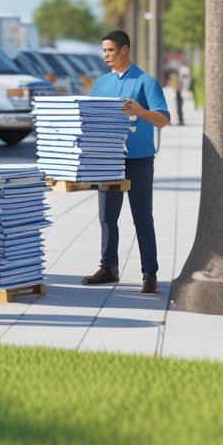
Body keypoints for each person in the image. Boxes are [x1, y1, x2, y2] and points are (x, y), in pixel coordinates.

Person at [81, 30, 170, 294]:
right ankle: (108, 267)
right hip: (108, 160)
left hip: (139, 160)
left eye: (110, 50)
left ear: (124, 50)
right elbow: (89, 119)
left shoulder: (146, 81)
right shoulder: (100, 83)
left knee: (142, 217)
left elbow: (163, 119)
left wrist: (141, 111)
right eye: (104, 51)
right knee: (107, 217)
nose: (106, 55)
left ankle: (149, 273)